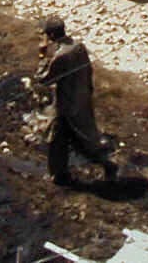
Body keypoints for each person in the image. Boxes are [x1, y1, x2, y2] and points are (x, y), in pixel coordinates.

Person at [36, 18, 116, 186]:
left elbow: (43, 80)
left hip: (66, 106)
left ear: (50, 35)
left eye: (43, 34)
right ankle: (106, 164)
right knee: (82, 138)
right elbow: (88, 70)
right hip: (82, 99)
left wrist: (42, 54)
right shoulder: (79, 46)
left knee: (56, 140)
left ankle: (58, 176)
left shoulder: (60, 56)